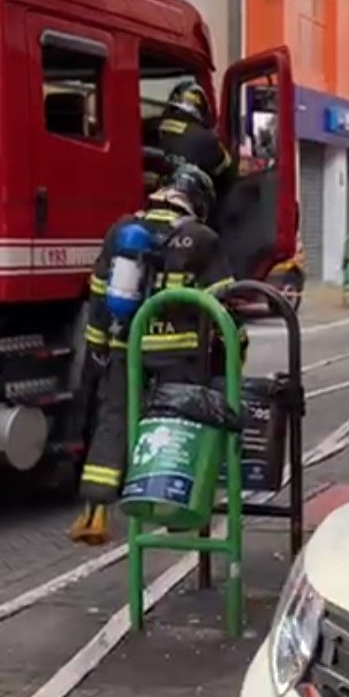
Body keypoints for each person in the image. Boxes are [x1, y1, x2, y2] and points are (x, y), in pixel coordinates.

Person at [68, 164, 241, 545]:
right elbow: (225, 305)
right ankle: (175, 513)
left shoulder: (121, 232)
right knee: (175, 424)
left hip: (124, 347)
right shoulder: (201, 238)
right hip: (177, 354)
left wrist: (98, 348)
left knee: (113, 421)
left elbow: (98, 295)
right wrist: (235, 348)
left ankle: (93, 515)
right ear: (196, 199)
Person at [144, 81, 236, 219]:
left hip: (143, 209)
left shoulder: (146, 128)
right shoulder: (205, 138)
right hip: (185, 216)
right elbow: (228, 175)